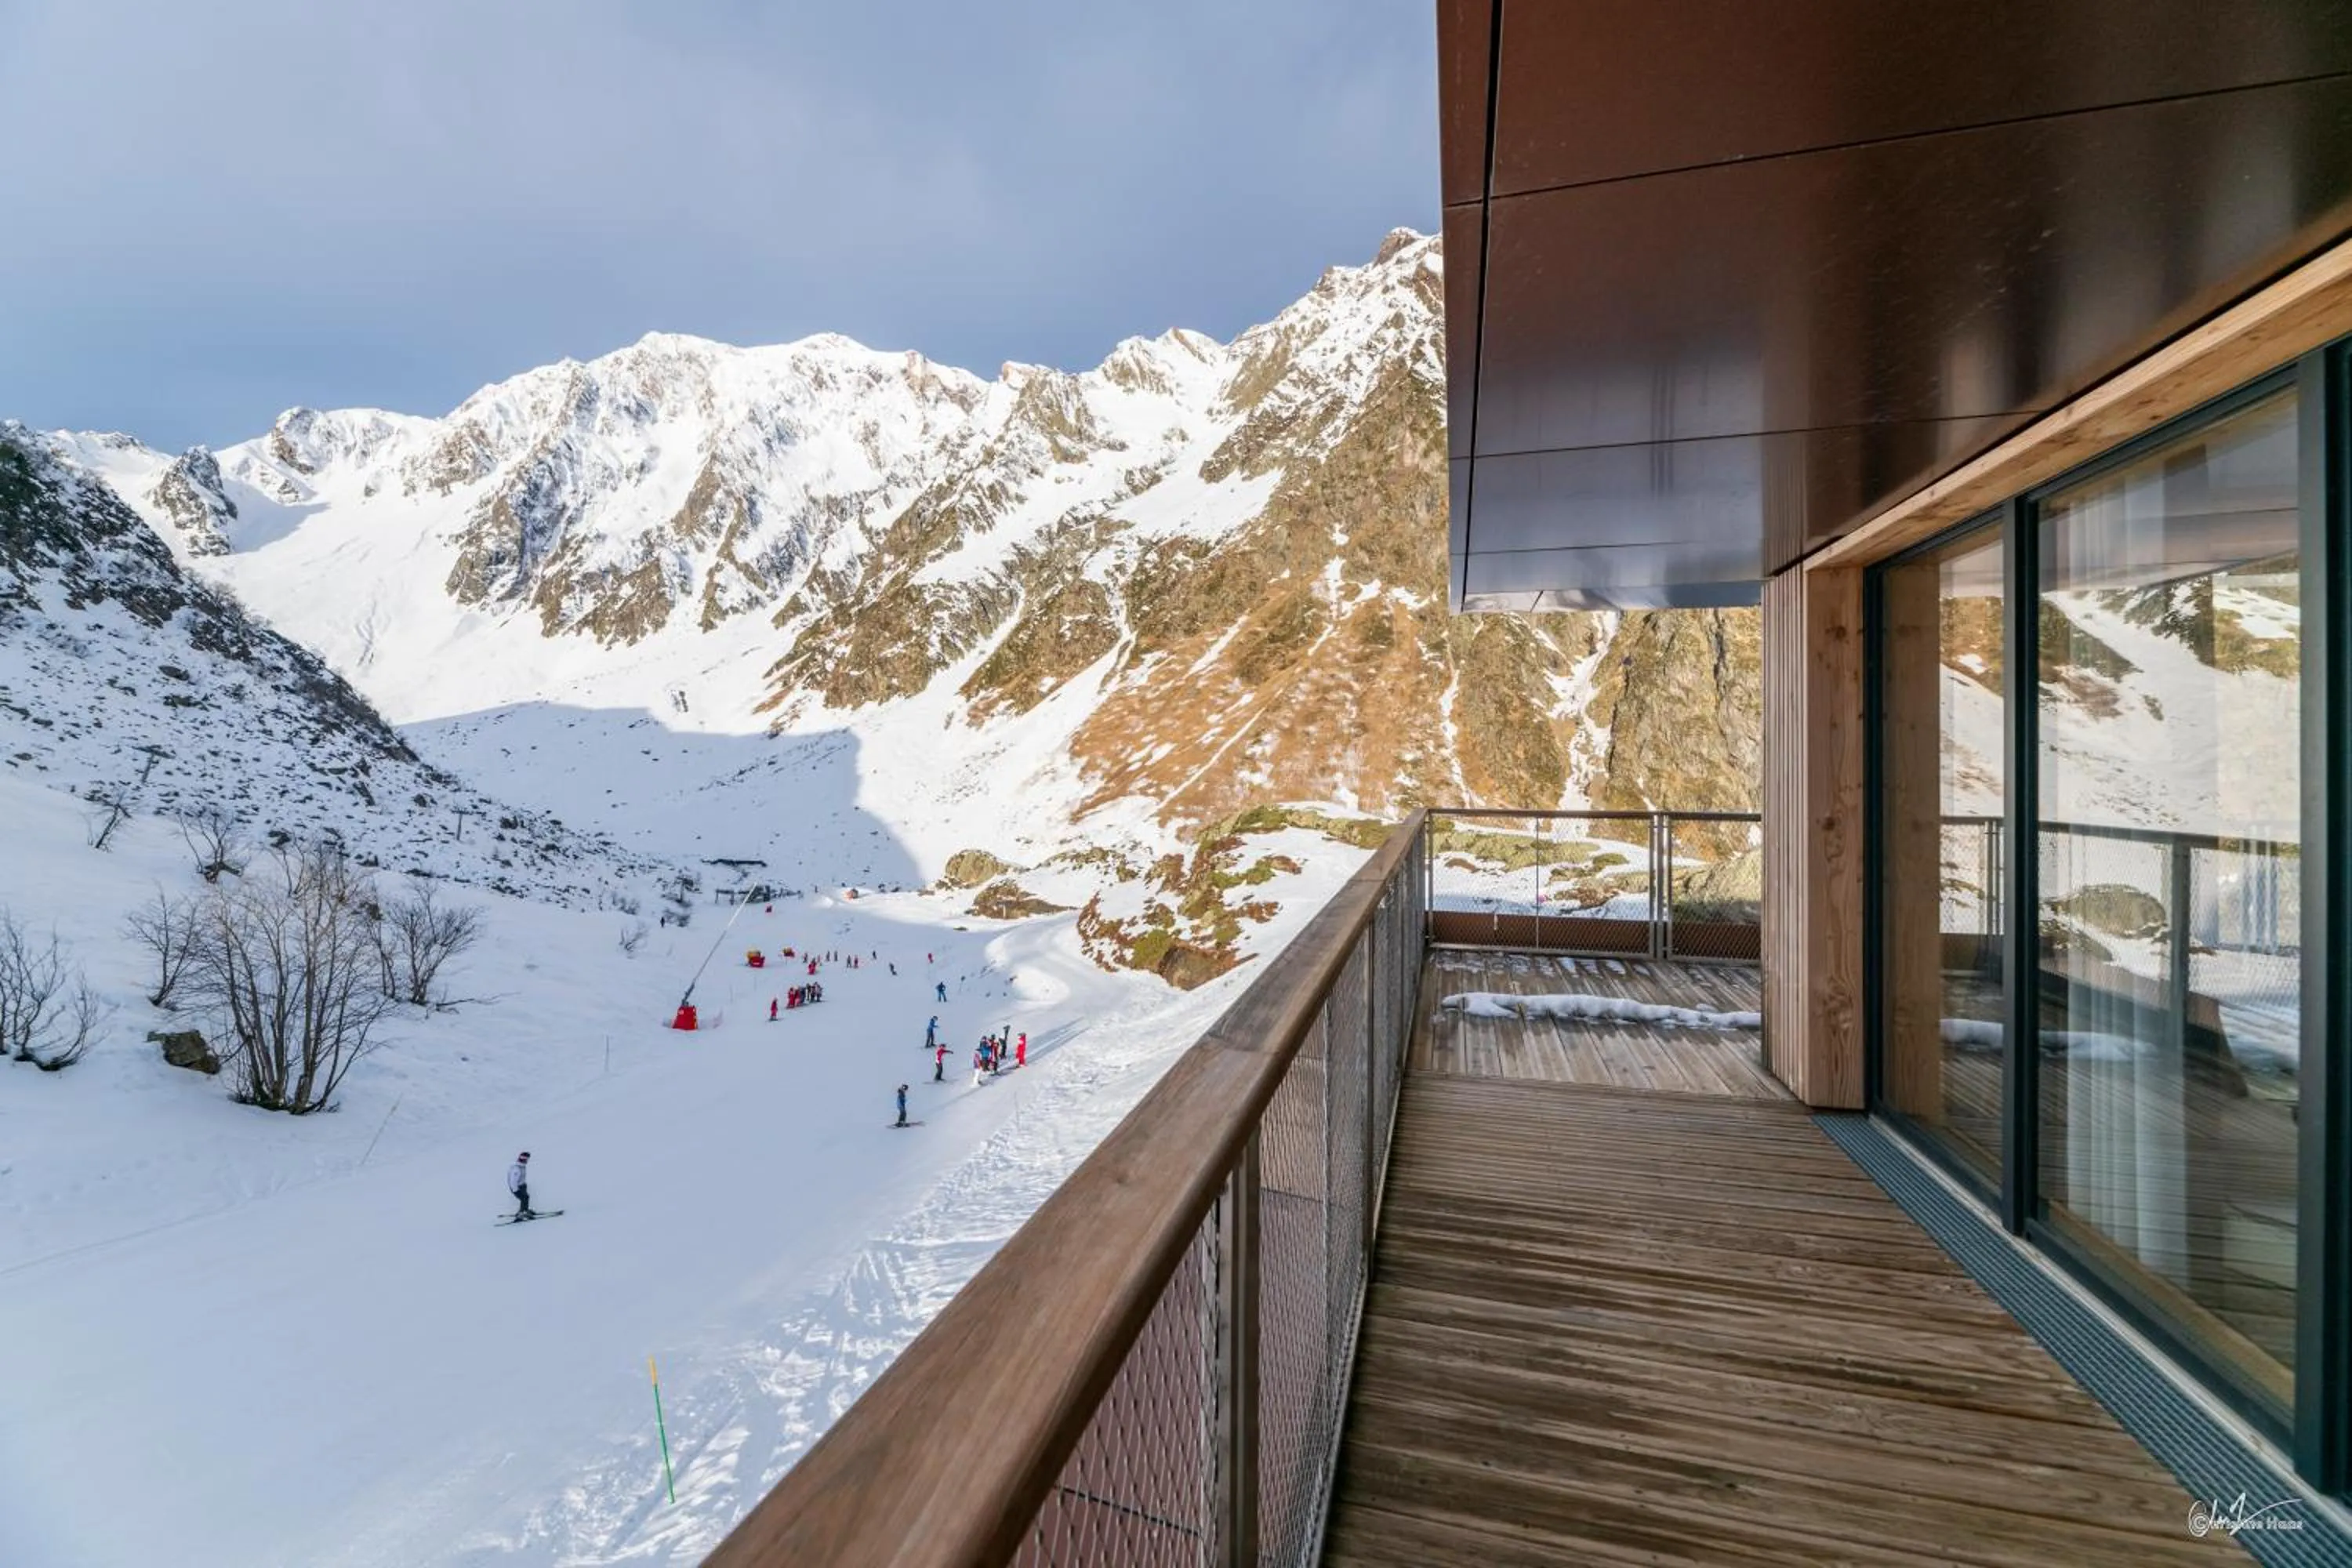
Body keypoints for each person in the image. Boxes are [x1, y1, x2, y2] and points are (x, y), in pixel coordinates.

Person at [507, 1152, 534, 1220]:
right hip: (517, 1187)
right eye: (527, 1159)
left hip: (522, 1185)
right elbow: (513, 1181)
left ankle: (525, 1210)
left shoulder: (521, 1166)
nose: (528, 1161)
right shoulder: (517, 1169)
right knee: (524, 1198)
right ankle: (521, 1213)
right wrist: (516, 1190)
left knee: (526, 1198)